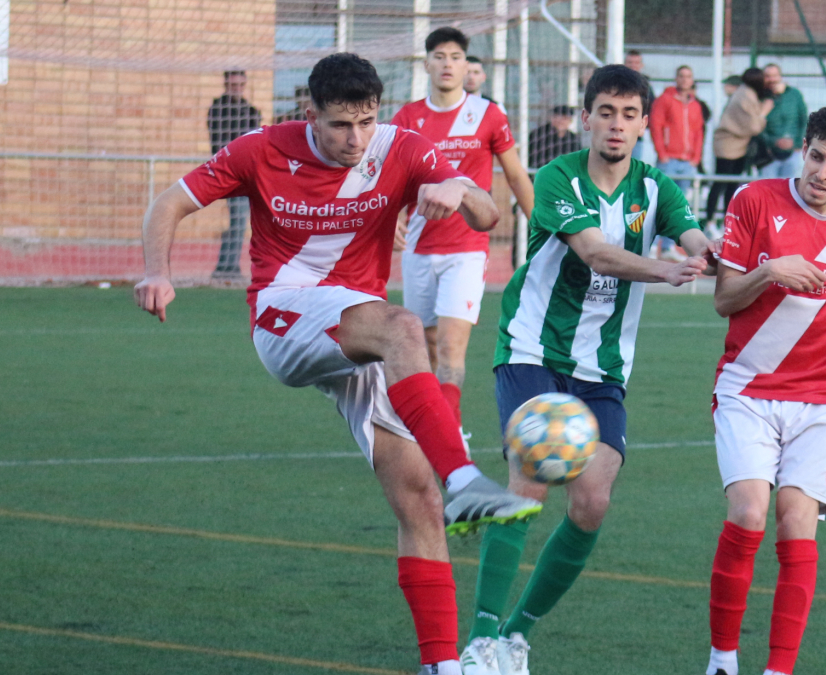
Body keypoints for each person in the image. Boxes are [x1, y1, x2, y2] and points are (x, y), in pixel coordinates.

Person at [134, 54, 543, 675]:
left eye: (366, 122)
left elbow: (489, 215)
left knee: (417, 500)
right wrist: (158, 273)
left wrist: (455, 188)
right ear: (310, 115)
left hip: (359, 334)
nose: (356, 139)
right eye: (340, 126)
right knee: (407, 325)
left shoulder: (402, 147)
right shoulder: (259, 149)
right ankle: (466, 480)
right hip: (286, 314)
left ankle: (442, 664)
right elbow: (169, 203)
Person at [458, 64, 715, 675]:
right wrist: (666, 269)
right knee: (528, 481)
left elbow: (692, 234)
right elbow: (596, 251)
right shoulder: (556, 178)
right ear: (585, 117)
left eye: (629, 115)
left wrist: (714, 254)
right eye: (606, 112)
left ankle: (517, 637)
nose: (617, 125)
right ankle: (480, 641)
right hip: (533, 350)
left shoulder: (657, 188)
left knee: (592, 502)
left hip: (603, 367)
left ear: (644, 124)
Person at [704, 103, 826, 675]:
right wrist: (767, 271)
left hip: (823, 400)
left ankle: (779, 669)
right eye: (815, 156)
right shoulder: (753, 201)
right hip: (747, 390)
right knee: (751, 511)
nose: (821, 172)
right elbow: (724, 301)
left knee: (796, 518)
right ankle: (722, 659)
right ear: (801, 149)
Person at [391, 27, 535, 436]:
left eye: (455, 56)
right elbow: (394, 178)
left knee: (453, 348)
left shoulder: (488, 114)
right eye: (439, 56)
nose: (447, 63)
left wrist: (543, 229)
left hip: (467, 249)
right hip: (419, 250)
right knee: (431, 347)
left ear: (466, 64)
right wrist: (393, 219)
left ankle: (449, 438)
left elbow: (516, 175)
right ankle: (437, 428)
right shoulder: (407, 118)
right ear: (427, 64)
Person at [206, 70, 263, 280]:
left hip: (248, 174)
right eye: (233, 85)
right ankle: (226, 268)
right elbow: (219, 142)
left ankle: (226, 266)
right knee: (239, 220)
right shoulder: (218, 109)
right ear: (226, 85)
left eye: (240, 85)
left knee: (239, 221)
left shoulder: (251, 111)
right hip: (228, 173)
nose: (237, 89)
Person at [707, 68, 773, 233]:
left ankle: (726, 220)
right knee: (720, 182)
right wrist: (764, 111)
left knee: (732, 185)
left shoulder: (746, 93)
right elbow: (754, 126)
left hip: (738, 144)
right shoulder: (745, 96)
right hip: (728, 145)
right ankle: (709, 221)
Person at [650, 64, 705, 259]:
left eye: (688, 76)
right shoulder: (664, 100)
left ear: (692, 80)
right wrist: (662, 152)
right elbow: (656, 126)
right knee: (659, 204)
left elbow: (698, 132)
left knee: (680, 207)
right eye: (681, 75)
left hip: (687, 162)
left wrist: (696, 158)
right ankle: (651, 246)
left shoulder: (695, 105)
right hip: (669, 160)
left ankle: (667, 248)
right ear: (676, 78)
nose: (684, 80)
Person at [757, 63, 808, 179]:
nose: (771, 79)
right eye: (767, 76)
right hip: (768, 153)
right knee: (767, 189)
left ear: (780, 76)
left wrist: (798, 143)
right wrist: (773, 141)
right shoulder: (760, 96)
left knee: (791, 187)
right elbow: (756, 126)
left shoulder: (794, 94)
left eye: (774, 75)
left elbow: (803, 119)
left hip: (793, 151)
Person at [527, 105, 582, 169]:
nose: (560, 121)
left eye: (564, 118)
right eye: (556, 117)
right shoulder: (539, 135)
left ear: (570, 121)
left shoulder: (573, 139)